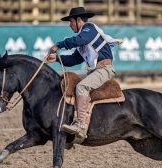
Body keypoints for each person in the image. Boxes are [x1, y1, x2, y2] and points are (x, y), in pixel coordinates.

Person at [47, 7, 121, 139]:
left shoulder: (89, 28)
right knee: (66, 79)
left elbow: (78, 41)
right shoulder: (84, 40)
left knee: (81, 87)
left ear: (79, 20)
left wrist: (59, 45)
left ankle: (80, 125)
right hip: (95, 70)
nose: (69, 25)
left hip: (104, 69)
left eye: (71, 21)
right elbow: (74, 59)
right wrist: (57, 59)